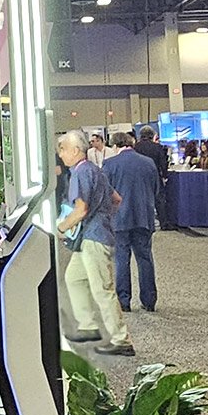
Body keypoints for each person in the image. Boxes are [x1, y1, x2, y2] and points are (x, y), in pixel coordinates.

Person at [56, 131, 132, 357]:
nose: (61, 154)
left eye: (63, 149)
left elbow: (81, 210)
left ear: (75, 151)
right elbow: (116, 199)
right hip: (94, 235)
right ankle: (88, 326)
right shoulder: (94, 170)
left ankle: (121, 340)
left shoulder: (80, 173)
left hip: (93, 239)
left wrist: (61, 227)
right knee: (74, 278)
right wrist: (104, 218)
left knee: (102, 289)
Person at [102, 133, 160, 313]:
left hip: (120, 218)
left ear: (115, 146)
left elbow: (105, 194)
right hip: (144, 216)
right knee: (145, 258)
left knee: (121, 259)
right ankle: (149, 300)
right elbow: (156, 189)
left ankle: (124, 301)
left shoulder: (110, 164)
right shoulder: (148, 163)